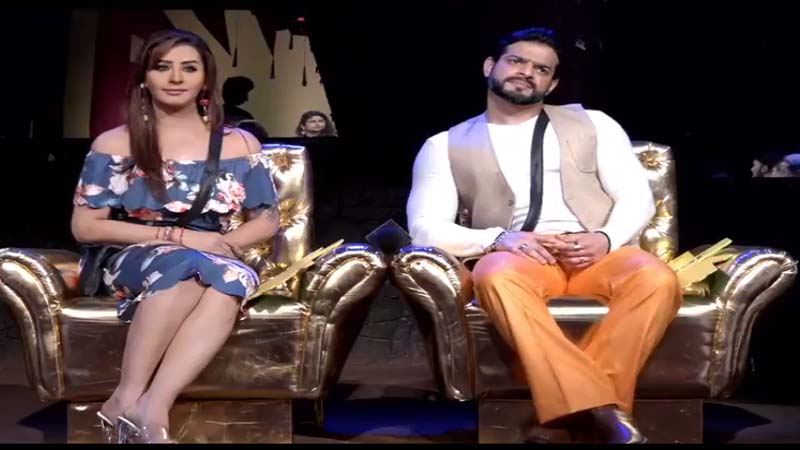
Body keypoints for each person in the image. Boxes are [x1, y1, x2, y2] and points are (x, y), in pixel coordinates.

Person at [406, 27, 681, 444]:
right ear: (490, 66)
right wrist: (500, 239)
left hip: (596, 250)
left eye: (541, 69)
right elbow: (425, 227)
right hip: (520, 254)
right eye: (516, 61)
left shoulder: (594, 124)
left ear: (551, 84)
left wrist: (605, 238)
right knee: (495, 275)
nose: (527, 72)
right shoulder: (444, 145)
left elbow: (636, 197)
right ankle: (602, 413)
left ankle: (571, 414)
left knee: (656, 278)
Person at [71, 29, 280, 443]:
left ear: (205, 79)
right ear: (145, 78)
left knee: (229, 278)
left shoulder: (239, 144)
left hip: (213, 253)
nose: (176, 78)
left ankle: (154, 406)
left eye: (189, 68)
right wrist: (180, 238)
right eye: (163, 67)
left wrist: (224, 246)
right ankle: (125, 396)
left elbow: (267, 219)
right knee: (188, 264)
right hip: (133, 253)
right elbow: (86, 225)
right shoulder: (115, 143)